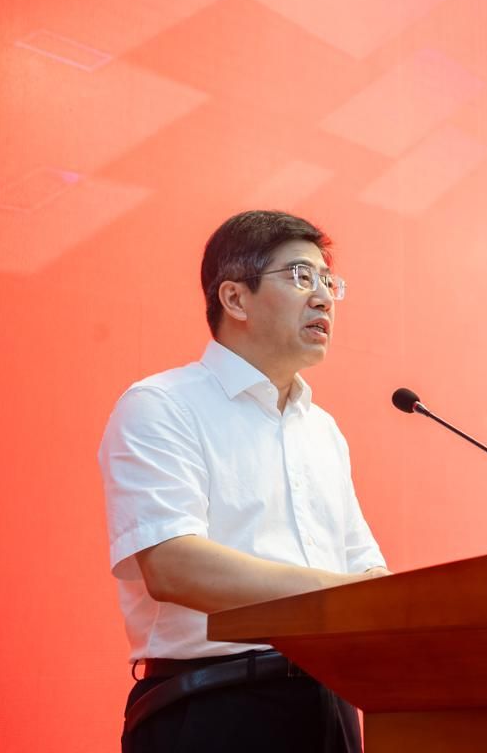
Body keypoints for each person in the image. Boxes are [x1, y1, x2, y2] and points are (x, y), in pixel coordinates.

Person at [99, 210, 389, 753]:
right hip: (215, 706)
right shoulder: (163, 405)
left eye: (329, 282)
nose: (324, 298)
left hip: (331, 707)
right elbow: (173, 565)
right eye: (302, 277)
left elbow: (364, 567)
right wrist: (348, 598)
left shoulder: (322, 430)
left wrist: (393, 603)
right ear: (235, 298)